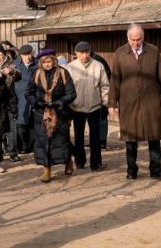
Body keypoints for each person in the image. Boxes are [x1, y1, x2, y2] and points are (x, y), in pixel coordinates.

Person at [108, 24, 161, 180]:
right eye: (133, 40)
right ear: (127, 38)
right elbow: (115, 80)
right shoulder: (120, 53)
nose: (136, 43)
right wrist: (112, 104)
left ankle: (156, 169)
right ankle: (131, 170)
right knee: (131, 137)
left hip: (151, 101)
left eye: (139, 39)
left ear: (143, 37)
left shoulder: (153, 51)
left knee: (154, 135)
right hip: (128, 101)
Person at [27, 49, 77, 183]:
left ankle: (67, 161)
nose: (47, 64)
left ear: (53, 61)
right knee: (43, 141)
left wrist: (60, 102)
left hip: (60, 112)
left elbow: (71, 93)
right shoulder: (36, 73)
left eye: (49, 61)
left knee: (61, 140)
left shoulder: (63, 73)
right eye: (44, 62)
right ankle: (46, 169)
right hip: (41, 113)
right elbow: (29, 92)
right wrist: (36, 103)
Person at [67, 42, 109, 171]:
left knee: (95, 137)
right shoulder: (70, 68)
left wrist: (105, 103)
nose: (85, 55)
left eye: (87, 52)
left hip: (94, 106)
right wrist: (68, 106)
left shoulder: (98, 66)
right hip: (77, 107)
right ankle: (80, 161)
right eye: (82, 53)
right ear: (76, 54)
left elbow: (105, 86)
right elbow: (67, 89)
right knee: (78, 136)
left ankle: (96, 163)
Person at [0, 44, 22, 162]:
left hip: (10, 102)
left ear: (4, 55)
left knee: (11, 128)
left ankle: (13, 152)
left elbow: (18, 75)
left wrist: (10, 72)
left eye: (0, 55)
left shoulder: (11, 65)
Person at [14, 44, 37, 154]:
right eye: (25, 55)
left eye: (29, 54)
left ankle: (32, 145)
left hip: (34, 96)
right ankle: (22, 145)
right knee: (21, 122)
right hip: (19, 96)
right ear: (20, 55)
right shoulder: (14, 65)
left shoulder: (37, 64)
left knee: (33, 121)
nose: (28, 57)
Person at [90, 51, 111, 149]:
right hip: (93, 93)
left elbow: (105, 78)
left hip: (100, 92)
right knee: (95, 119)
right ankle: (96, 140)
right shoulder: (92, 59)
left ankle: (102, 141)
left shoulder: (97, 61)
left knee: (102, 117)